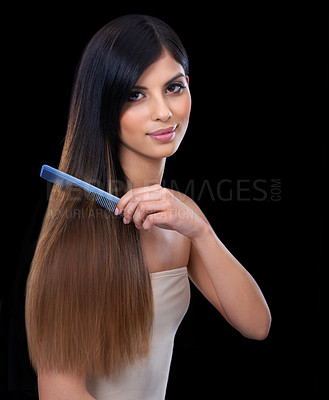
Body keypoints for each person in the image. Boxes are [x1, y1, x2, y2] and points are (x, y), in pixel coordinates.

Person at [25, 14, 271, 400]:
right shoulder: (77, 237)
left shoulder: (182, 217)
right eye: (135, 95)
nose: (164, 112)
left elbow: (256, 325)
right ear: (104, 107)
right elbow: (59, 390)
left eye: (173, 87)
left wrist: (200, 231)